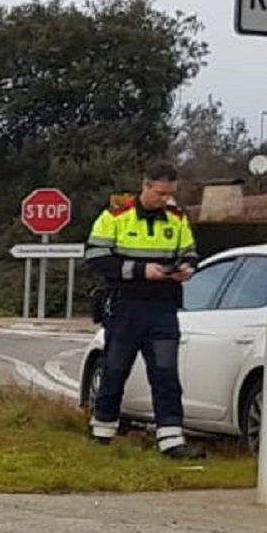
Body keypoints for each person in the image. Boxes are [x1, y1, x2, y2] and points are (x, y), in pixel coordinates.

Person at [86, 162, 206, 459]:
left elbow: (189, 252)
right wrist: (140, 270)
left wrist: (188, 268)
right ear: (146, 186)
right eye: (160, 193)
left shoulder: (177, 218)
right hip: (126, 305)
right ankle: (102, 433)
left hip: (163, 307)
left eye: (170, 194)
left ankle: (171, 440)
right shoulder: (115, 217)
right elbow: (96, 257)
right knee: (115, 369)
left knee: (166, 374)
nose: (165, 199)